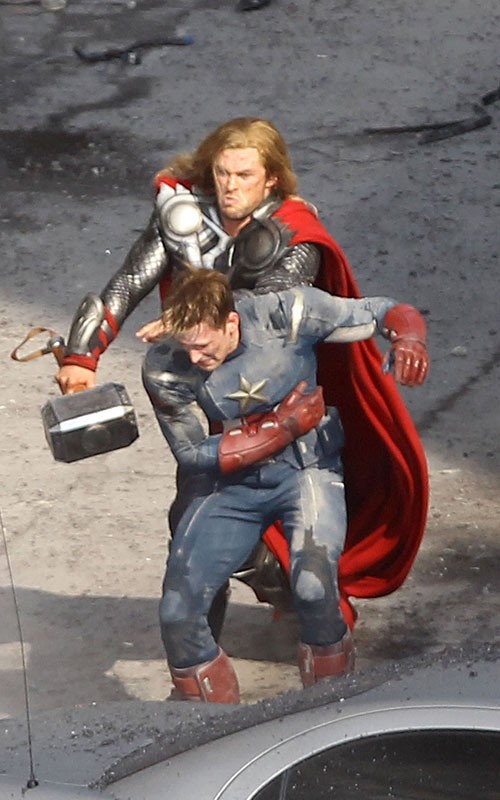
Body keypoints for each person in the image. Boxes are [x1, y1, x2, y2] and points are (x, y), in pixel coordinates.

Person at [54, 116, 429, 644]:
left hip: (275, 398)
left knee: (298, 548)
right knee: (190, 531)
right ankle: (199, 653)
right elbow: (129, 281)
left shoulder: (293, 234)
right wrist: (81, 357)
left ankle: (308, 614)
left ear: (271, 178)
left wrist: (192, 316)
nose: (230, 186)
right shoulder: (184, 217)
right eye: (222, 173)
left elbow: (264, 314)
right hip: (204, 395)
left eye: (244, 175)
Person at [142, 268, 429, 702]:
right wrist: (281, 427)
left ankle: (330, 710)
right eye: (187, 347)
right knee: (177, 613)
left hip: (306, 472)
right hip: (233, 485)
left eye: (203, 346)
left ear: (231, 323)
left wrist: (409, 339)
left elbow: (383, 311)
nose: (195, 358)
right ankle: (209, 726)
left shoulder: (288, 315)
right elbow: (193, 453)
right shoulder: (167, 365)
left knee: (314, 589)